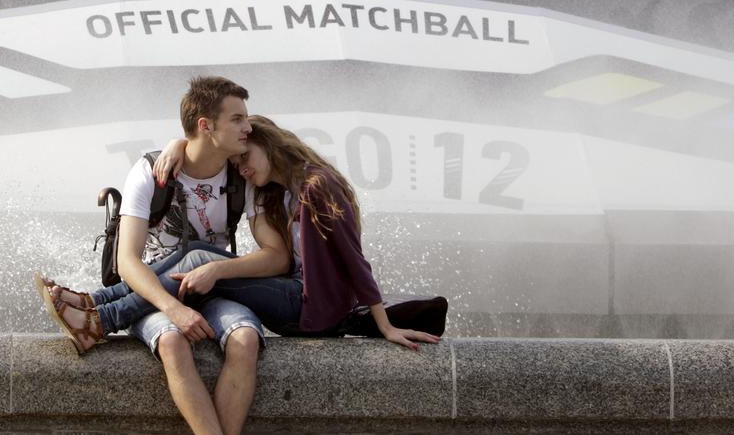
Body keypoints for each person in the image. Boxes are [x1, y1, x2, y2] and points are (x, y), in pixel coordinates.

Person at [48, 115, 444, 353]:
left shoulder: (317, 186)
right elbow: (209, 141)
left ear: (269, 145)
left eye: (245, 158)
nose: (241, 169)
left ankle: (100, 319)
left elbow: (355, 260)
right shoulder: (277, 190)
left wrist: (384, 325)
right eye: (237, 163)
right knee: (198, 250)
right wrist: (179, 144)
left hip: (311, 308)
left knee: (200, 261)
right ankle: (92, 303)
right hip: (293, 294)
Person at [36, 76, 290, 435]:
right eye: (237, 119)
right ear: (206, 125)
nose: (247, 127)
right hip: (151, 295)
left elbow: (277, 257)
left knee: (246, 338)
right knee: (172, 341)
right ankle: (98, 313)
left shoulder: (242, 176)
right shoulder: (150, 172)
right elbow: (127, 262)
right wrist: (174, 308)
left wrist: (217, 271)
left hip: (213, 291)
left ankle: (95, 309)